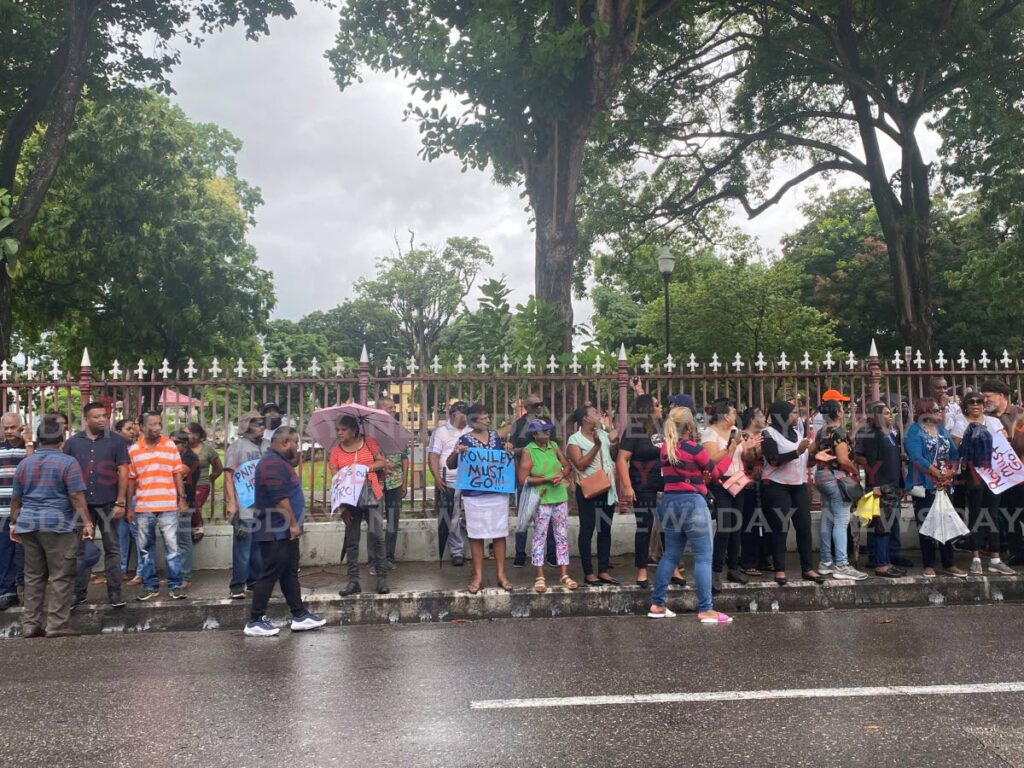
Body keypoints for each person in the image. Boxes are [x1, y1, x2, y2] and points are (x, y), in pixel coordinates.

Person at [648, 406, 732, 623]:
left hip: (668, 503)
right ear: (689, 425)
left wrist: (697, 476)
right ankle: (706, 609)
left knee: (670, 555)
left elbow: (681, 473)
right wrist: (730, 453)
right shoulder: (695, 449)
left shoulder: (666, 449)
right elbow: (715, 474)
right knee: (703, 557)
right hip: (693, 504)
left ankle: (657, 604)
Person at [9, 414, 90, 637]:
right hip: (58, 525)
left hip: (28, 525)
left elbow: (16, 498)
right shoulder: (68, 462)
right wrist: (88, 522)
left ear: (38, 439)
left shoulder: (26, 463)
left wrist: (13, 523)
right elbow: (76, 495)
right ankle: (56, 625)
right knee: (61, 575)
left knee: (33, 577)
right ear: (62, 439)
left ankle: (30, 624)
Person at [244, 426, 326, 637]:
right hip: (274, 530)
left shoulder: (278, 462)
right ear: (284, 443)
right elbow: (279, 498)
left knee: (289, 573)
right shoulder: (272, 463)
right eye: (296, 443)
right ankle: (255, 620)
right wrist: (292, 524)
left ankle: (299, 615)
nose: (298, 448)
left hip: (283, 530)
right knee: (270, 574)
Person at [64, 402, 130, 608]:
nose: (102, 420)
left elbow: (124, 472)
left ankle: (115, 592)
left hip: (109, 503)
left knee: (113, 548)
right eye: (97, 417)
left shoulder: (117, 442)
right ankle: (79, 593)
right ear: (86, 419)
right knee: (81, 550)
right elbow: (65, 472)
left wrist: (121, 501)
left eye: (104, 416)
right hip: (82, 506)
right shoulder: (73, 443)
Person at [447, 404, 514, 593]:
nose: (487, 420)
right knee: (476, 535)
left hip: (497, 494)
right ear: (473, 421)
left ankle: (501, 574)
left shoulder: (495, 437)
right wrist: (457, 452)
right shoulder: (464, 440)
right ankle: (478, 576)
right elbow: (450, 464)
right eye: (483, 418)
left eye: (487, 417)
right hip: (474, 496)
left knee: (499, 533)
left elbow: (504, 459)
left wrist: (508, 449)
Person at [951, 391, 1015, 575]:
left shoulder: (994, 422)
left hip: (994, 475)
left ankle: (995, 559)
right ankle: (976, 558)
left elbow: (1004, 447)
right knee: (976, 514)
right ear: (966, 405)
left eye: (979, 401)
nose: (976, 404)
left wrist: (1005, 435)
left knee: (993, 514)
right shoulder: (960, 423)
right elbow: (956, 449)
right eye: (971, 402)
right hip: (973, 475)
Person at [761, 401, 824, 586]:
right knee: (780, 527)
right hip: (776, 485)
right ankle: (780, 569)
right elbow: (773, 460)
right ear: (782, 415)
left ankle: (807, 568)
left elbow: (803, 459)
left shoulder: (797, 433)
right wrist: (797, 452)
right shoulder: (768, 434)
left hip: (798, 484)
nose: (797, 416)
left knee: (804, 526)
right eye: (794, 413)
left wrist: (814, 456)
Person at [128, 411, 189, 601]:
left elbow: (177, 472)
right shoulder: (134, 450)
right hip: (144, 506)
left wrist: (182, 498)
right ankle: (149, 586)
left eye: (159, 424)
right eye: (152, 424)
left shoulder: (169, 445)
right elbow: (131, 479)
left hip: (168, 505)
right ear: (142, 427)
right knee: (145, 549)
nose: (156, 428)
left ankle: (175, 585)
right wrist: (129, 506)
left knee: (172, 547)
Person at [904, 398, 966, 578]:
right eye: (937, 409)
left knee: (946, 523)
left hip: (945, 484)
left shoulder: (941, 430)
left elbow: (954, 453)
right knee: (927, 524)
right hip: (925, 483)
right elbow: (916, 457)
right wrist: (938, 474)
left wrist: (951, 473)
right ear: (926, 411)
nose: (941, 412)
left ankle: (949, 563)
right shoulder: (914, 431)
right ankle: (929, 564)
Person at [332, 414, 389, 596]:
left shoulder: (369, 443)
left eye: (343, 429)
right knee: (352, 540)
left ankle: (382, 579)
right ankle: (353, 581)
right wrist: (342, 508)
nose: (340, 433)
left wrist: (366, 468)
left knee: (377, 537)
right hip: (350, 500)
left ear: (354, 430)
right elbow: (335, 482)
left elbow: (382, 462)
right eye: (337, 430)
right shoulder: (335, 452)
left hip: (372, 495)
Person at [702, 398, 755, 591]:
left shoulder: (736, 433)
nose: (736, 416)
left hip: (738, 483)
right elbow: (710, 461)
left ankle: (733, 567)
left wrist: (750, 448)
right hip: (720, 484)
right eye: (733, 412)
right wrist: (730, 447)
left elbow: (746, 458)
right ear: (725, 416)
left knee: (736, 526)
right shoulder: (710, 434)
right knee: (724, 528)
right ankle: (715, 571)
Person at [811, 400, 868, 580]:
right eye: (842, 409)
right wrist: (854, 472)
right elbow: (843, 459)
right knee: (841, 521)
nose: (843, 411)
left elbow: (812, 453)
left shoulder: (822, 432)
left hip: (821, 476)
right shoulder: (839, 431)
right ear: (837, 412)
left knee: (827, 519)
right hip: (836, 477)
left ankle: (825, 562)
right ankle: (842, 565)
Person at [517, 420, 576, 593]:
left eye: (548, 430)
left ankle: (564, 574)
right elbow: (523, 479)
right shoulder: (529, 450)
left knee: (562, 536)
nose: (547, 433)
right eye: (543, 431)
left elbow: (567, 465)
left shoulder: (554, 446)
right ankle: (539, 576)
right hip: (541, 499)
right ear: (534, 435)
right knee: (540, 536)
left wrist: (562, 474)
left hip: (560, 497)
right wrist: (546, 479)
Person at [567, 404, 619, 587]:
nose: (599, 415)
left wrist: (614, 441)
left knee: (604, 530)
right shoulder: (574, 440)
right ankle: (588, 573)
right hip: (588, 491)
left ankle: (603, 570)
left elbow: (614, 456)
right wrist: (596, 446)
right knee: (587, 530)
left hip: (607, 489)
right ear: (585, 419)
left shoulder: (603, 435)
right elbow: (580, 465)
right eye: (595, 413)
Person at [617, 394, 666, 588]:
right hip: (642, 484)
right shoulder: (634, 431)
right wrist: (627, 487)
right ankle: (642, 570)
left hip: (665, 484)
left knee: (668, 526)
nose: (660, 407)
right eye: (656, 404)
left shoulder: (663, 428)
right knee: (645, 526)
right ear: (648, 409)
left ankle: (673, 568)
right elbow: (622, 459)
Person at [854, 402, 906, 579]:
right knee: (881, 526)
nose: (889, 415)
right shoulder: (870, 433)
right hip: (880, 485)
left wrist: (900, 484)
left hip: (891, 485)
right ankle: (881, 565)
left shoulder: (889, 433)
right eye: (885, 413)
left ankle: (884, 560)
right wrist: (874, 483)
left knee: (886, 525)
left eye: (890, 412)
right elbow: (862, 458)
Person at [506, 394, 558, 569]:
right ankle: (520, 554)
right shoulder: (518, 425)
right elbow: (511, 450)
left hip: (547, 476)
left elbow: (554, 445)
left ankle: (551, 553)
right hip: (527, 478)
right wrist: (529, 450)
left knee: (549, 516)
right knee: (524, 516)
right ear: (526, 407)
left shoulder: (547, 422)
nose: (538, 409)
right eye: (535, 406)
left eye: (540, 405)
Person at [981, 380, 1024, 563]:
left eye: (988, 396)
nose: (984, 400)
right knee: (1008, 516)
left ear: (1002, 396)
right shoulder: (985, 419)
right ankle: (1017, 553)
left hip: (1020, 476)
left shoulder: (1019, 415)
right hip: (1000, 479)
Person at [224, 412, 265, 599]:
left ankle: (254, 581)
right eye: (258, 424)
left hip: (263, 506)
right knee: (243, 548)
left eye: (263, 423)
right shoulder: (237, 447)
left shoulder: (267, 446)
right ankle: (237, 585)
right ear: (247, 426)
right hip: (244, 505)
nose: (262, 427)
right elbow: (228, 475)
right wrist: (232, 503)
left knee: (258, 548)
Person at [427, 401, 469, 566]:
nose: (466, 416)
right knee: (452, 517)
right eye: (463, 413)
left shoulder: (471, 431)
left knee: (471, 515)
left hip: (470, 481)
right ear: (453, 415)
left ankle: (477, 545)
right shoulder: (441, 432)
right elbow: (434, 456)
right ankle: (457, 551)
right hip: (449, 482)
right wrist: (437, 477)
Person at [0, 412, 31, 611]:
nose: (10, 431)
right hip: (2, 511)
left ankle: (25, 592)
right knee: (4, 552)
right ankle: (6, 591)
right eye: (6, 428)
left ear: (21, 427)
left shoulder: (30, 450)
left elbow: (32, 469)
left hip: (24, 511)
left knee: (25, 555)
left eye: (13, 427)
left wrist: (28, 443)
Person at [375, 397, 409, 570]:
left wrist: (404, 482)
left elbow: (405, 458)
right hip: (376, 483)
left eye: (394, 407)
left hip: (395, 482)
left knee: (392, 521)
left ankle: (389, 557)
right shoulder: (371, 432)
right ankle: (375, 560)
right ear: (379, 410)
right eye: (388, 408)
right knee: (375, 522)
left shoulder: (399, 432)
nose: (392, 410)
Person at [737, 407, 771, 575]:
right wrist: (754, 448)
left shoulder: (764, 436)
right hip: (746, 484)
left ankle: (764, 558)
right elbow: (747, 458)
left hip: (763, 483)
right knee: (749, 522)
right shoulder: (743, 436)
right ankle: (747, 561)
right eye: (761, 415)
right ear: (751, 419)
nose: (764, 418)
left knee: (765, 521)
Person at [172, 430, 199, 589]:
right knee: (173, 540)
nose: (173, 445)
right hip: (171, 502)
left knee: (183, 540)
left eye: (176, 443)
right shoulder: (176, 457)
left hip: (184, 502)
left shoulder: (189, 458)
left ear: (184, 443)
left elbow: (177, 473)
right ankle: (176, 574)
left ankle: (186, 576)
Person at [115, 418, 140, 582]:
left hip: (135, 496)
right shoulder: (113, 448)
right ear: (119, 431)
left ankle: (141, 571)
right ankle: (121, 569)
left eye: (133, 428)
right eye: (128, 428)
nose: (132, 431)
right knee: (120, 535)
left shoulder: (136, 449)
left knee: (138, 534)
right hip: (117, 497)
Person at [186, 422, 222, 523]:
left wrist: (210, 479)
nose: (184, 435)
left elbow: (218, 468)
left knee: (194, 505)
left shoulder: (207, 450)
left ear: (196, 435)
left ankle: (198, 525)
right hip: (185, 485)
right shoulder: (183, 448)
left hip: (201, 484)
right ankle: (190, 530)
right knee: (186, 509)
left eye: (187, 433)